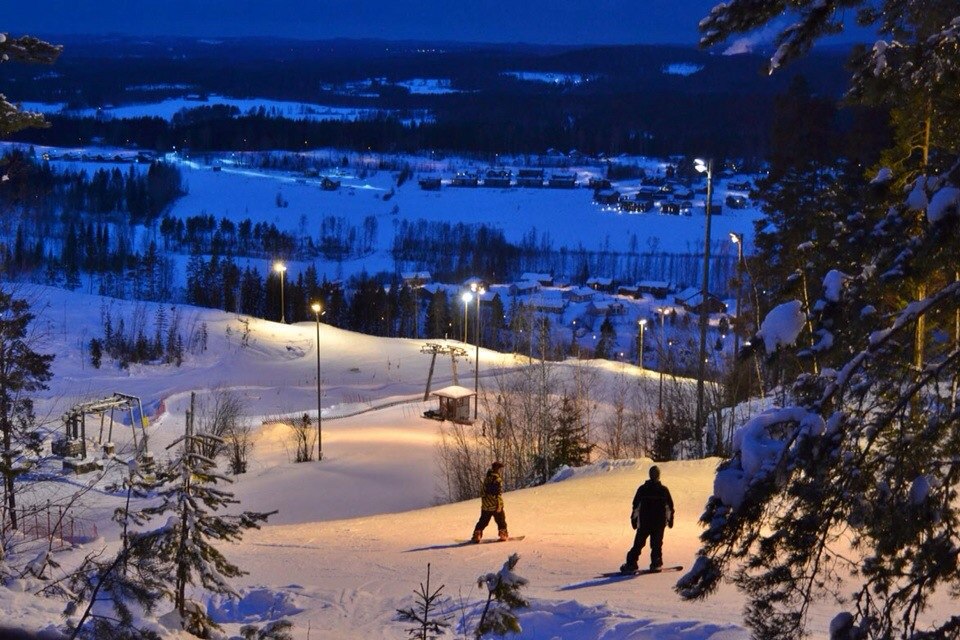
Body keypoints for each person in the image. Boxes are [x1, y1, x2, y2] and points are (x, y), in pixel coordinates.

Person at [621, 465, 674, 573]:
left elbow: (636, 506)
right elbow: (669, 508)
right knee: (656, 544)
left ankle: (631, 563)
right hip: (658, 523)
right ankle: (656, 562)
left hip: (645, 522)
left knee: (639, 544)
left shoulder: (643, 489)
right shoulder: (663, 490)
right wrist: (670, 519)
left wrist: (634, 519)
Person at [471, 461, 508, 543]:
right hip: (495, 505)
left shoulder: (486, 479)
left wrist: (485, 502)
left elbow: (483, 491)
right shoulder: (498, 480)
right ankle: (503, 533)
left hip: (486, 505)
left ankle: (477, 533)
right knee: (501, 520)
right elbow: (498, 493)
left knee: (483, 521)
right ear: (498, 469)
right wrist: (500, 505)